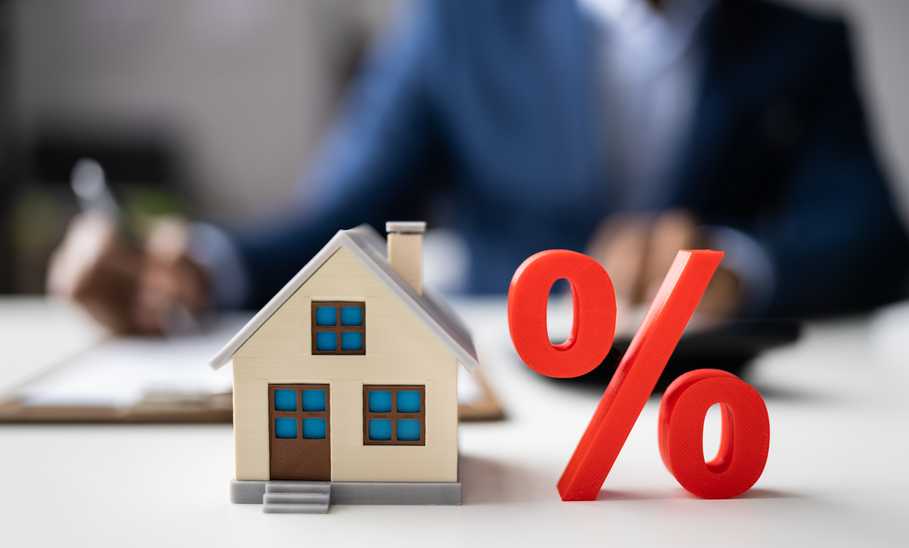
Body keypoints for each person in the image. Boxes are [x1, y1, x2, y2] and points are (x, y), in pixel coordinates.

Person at [48, 0, 909, 334]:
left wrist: (735, 264)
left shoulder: (802, 45)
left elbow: (872, 237)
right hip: (514, 393)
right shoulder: (456, 25)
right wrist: (195, 262)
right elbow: (339, 219)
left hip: (735, 398)